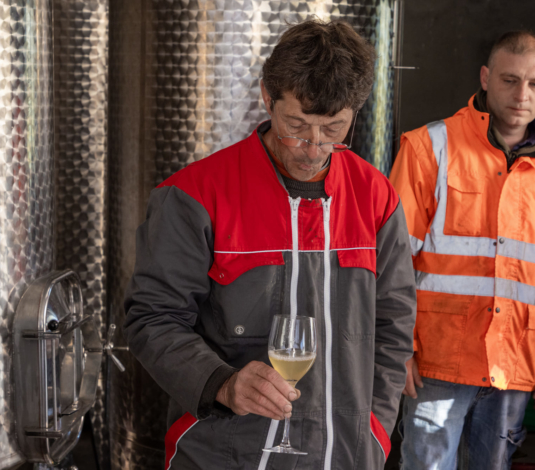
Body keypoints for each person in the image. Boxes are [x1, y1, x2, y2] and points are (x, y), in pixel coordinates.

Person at [123, 19, 416, 470]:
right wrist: (220, 383)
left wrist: (373, 431)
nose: (313, 148)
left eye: (333, 129)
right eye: (296, 125)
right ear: (267, 96)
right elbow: (152, 318)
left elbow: (393, 328)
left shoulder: (376, 196)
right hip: (220, 456)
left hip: (345, 457)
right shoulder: (195, 195)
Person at [389, 31, 535, 470]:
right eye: (510, 80)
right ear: (485, 78)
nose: (521, 95)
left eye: (534, 84)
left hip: (516, 358)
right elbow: (391, 262)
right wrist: (398, 349)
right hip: (438, 360)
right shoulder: (429, 148)